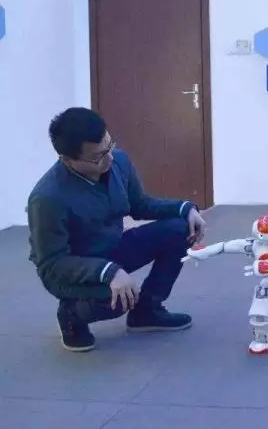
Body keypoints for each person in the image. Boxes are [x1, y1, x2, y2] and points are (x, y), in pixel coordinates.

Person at [27, 107, 207, 352]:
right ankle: (71, 315)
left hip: (111, 248)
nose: (109, 158)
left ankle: (147, 311)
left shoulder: (117, 161)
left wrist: (184, 209)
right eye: (97, 157)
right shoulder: (47, 198)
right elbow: (52, 263)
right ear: (67, 160)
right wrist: (107, 271)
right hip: (72, 270)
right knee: (120, 299)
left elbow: (140, 204)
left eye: (109, 146)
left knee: (180, 228)